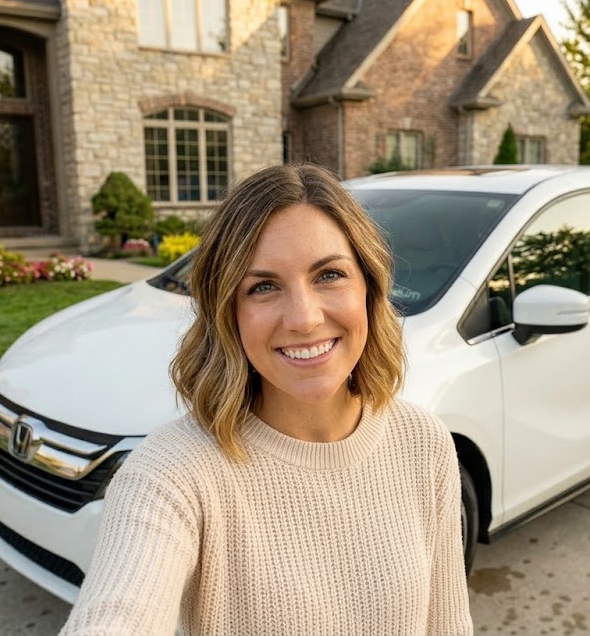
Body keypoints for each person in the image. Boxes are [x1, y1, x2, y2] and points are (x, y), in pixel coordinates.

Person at [60, 164, 472, 636]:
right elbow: (119, 614)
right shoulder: (170, 475)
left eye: (330, 275)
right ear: (228, 313)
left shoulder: (423, 441)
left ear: (370, 288)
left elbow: (448, 623)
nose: (303, 318)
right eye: (263, 287)